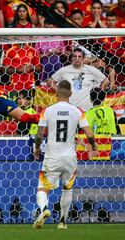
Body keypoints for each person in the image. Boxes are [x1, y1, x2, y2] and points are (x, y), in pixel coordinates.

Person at [33, 80, 97, 230]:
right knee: (67, 188)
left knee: (42, 188)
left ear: (56, 93)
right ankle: (62, 222)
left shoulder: (47, 110)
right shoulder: (78, 111)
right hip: (70, 157)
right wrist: (93, 146)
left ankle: (44, 210)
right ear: (71, 93)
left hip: (52, 156)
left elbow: (39, 133)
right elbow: (89, 133)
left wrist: (37, 148)